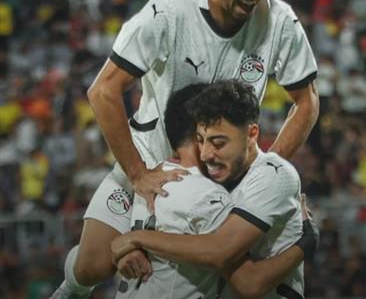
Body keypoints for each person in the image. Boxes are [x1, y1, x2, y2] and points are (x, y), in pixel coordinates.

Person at [52, 0, 318, 298]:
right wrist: (138, 173)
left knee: (238, 278)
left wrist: (263, 174)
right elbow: (103, 91)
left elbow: (307, 102)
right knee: (92, 265)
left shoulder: (279, 21)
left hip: (218, 175)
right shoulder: (168, 12)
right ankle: (71, 288)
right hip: (152, 163)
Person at [111, 80, 314, 298]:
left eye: (218, 143)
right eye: (201, 140)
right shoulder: (204, 181)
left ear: (252, 134)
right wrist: (133, 250)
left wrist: (137, 239)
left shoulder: (273, 175)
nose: (206, 153)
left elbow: (239, 272)